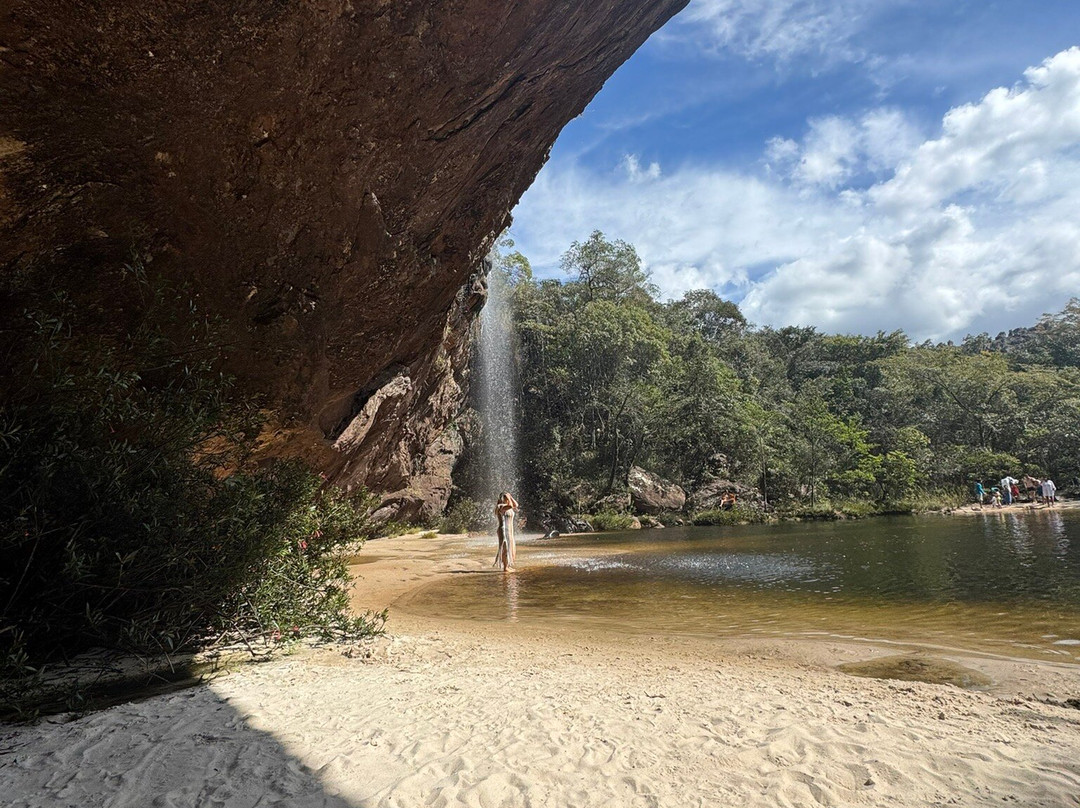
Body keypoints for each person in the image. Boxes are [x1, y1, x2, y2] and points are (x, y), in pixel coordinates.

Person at [493, 492, 520, 572]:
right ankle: (505, 567)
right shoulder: (501, 506)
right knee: (505, 548)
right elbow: (512, 505)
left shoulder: (507, 507)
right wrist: (508, 496)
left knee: (510, 547)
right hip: (504, 529)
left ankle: (507, 565)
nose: (508, 499)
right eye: (507, 498)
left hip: (509, 530)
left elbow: (516, 505)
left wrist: (510, 496)